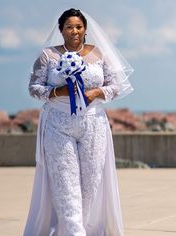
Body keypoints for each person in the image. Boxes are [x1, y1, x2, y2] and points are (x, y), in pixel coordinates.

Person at [23, 8, 133, 236]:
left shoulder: (98, 54)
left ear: (85, 30)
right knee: (65, 183)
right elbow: (34, 88)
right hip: (57, 124)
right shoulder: (48, 55)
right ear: (61, 30)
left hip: (93, 124)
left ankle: (79, 228)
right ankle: (75, 233)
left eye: (79, 27)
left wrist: (97, 93)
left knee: (91, 183)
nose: (75, 31)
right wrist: (58, 91)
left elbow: (115, 86)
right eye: (69, 27)